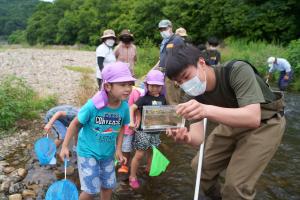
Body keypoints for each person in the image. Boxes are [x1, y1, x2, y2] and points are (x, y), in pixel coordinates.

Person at [165, 45, 286, 200]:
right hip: (232, 124)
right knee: (200, 169)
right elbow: (198, 138)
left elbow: (252, 117)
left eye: (186, 76)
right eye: (179, 82)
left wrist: (205, 110)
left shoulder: (237, 71)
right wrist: (185, 137)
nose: (185, 84)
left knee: (236, 187)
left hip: (266, 123)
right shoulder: (192, 94)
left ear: (201, 63)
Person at [59, 62, 136, 200]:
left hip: (107, 154)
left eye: (130, 84)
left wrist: (118, 150)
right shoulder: (93, 105)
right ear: (108, 86)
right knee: (90, 190)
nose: (128, 89)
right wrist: (65, 146)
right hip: (88, 152)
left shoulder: (124, 107)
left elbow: (121, 128)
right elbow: (75, 124)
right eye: (122, 85)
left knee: (108, 185)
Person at [128, 70, 167, 189]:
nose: (155, 88)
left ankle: (148, 168)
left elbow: (165, 114)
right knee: (139, 155)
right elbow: (132, 108)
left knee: (152, 151)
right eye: (152, 85)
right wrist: (131, 121)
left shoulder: (162, 98)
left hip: (156, 131)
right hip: (143, 131)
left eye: (158, 85)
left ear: (162, 86)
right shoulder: (144, 98)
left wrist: (168, 126)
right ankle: (132, 176)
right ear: (147, 85)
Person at [156, 19, 185, 105]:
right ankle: (171, 118)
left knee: (173, 100)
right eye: (161, 29)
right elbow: (162, 58)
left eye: (164, 29)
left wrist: (178, 76)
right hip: (164, 73)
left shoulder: (177, 40)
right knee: (167, 99)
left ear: (170, 27)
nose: (163, 31)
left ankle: (177, 118)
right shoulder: (164, 41)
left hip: (173, 74)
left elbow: (181, 58)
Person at [117, 86, 144, 174]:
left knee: (126, 147)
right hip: (118, 124)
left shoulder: (134, 92)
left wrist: (138, 118)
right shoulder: (115, 92)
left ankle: (125, 165)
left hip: (128, 127)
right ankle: (120, 160)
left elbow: (137, 107)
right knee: (119, 145)